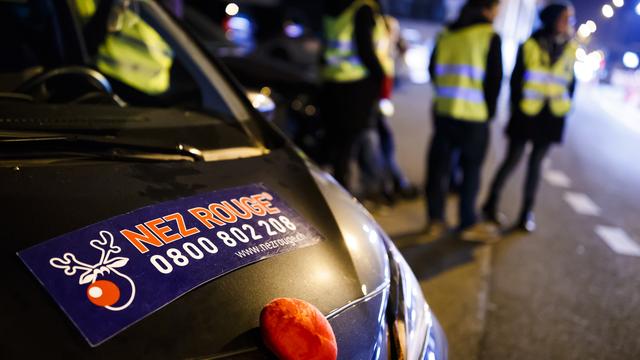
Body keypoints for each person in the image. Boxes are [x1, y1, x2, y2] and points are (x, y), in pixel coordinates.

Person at [482, 1, 577, 232]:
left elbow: (571, 83)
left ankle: (526, 214)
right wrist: (516, 109)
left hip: (552, 117)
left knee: (536, 167)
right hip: (527, 113)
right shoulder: (531, 44)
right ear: (552, 19)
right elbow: (516, 82)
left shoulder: (570, 49)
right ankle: (490, 204)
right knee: (512, 160)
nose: (568, 23)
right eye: (565, 18)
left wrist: (564, 107)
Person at [425, 0, 502, 240]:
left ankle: (435, 220)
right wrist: (488, 112)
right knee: (471, 172)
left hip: (445, 112)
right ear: (487, 9)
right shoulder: (488, 35)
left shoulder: (446, 34)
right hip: (474, 117)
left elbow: (432, 69)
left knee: (438, 170)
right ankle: (467, 222)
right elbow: (494, 80)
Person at [322, 0, 387, 200]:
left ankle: (334, 189)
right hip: (356, 85)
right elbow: (365, 49)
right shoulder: (362, 9)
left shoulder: (336, 7)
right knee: (349, 144)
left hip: (332, 82)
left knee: (337, 143)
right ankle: (343, 194)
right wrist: (380, 75)